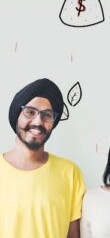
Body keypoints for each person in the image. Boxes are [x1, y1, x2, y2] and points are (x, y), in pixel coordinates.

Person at [0, 78, 86, 238]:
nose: (38, 121)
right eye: (30, 112)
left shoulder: (70, 173)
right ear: (16, 115)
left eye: (46, 115)